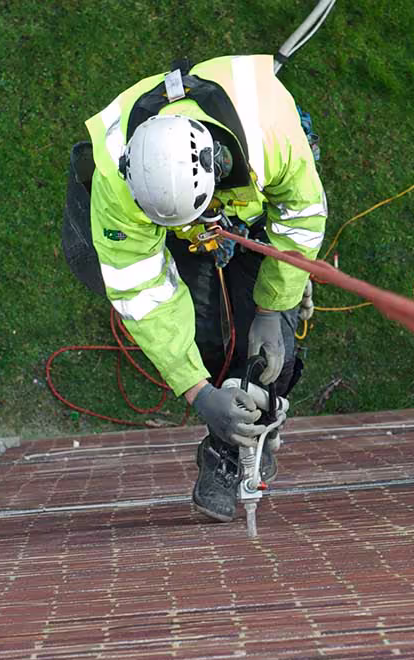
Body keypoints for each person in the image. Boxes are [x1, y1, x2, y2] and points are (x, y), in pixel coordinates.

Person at [60, 54, 326, 522]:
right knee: (205, 341)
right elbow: (142, 293)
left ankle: (254, 426)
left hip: (255, 209)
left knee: (271, 351)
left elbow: (301, 220)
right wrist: (199, 393)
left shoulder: (273, 137)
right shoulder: (118, 188)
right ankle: (224, 443)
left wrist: (274, 307)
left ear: (219, 165)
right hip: (169, 227)